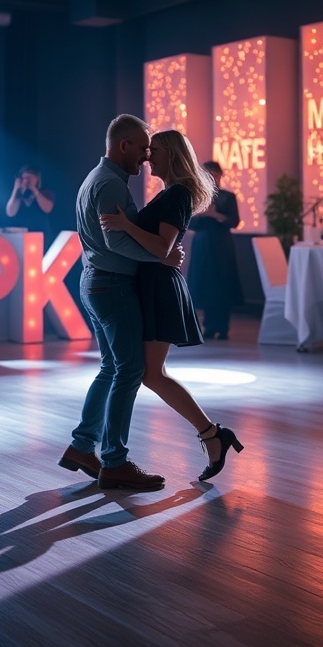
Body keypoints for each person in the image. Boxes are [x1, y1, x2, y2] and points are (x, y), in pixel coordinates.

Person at [100, 130, 244, 481]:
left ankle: (211, 433)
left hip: (160, 290)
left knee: (150, 373)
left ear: (173, 156)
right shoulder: (170, 193)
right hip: (154, 285)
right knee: (148, 373)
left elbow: (163, 247)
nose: (148, 156)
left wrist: (124, 225)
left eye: (156, 150)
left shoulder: (177, 194)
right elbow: (164, 249)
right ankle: (212, 435)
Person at [58, 114, 183, 491]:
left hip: (95, 282)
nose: (147, 156)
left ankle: (82, 446)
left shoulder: (96, 179)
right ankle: (114, 461)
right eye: (143, 147)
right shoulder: (111, 183)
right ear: (123, 145)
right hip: (111, 285)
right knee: (128, 370)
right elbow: (117, 242)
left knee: (112, 368)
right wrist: (161, 256)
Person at [187, 160, 240, 340]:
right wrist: (202, 214)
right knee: (205, 283)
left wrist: (216, 215)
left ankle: (223, 326)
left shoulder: (228, 196)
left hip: (222, 244)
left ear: (220, 175)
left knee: (223, 283)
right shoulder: (198, 196)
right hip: (202, 244)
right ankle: (208, 326)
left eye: (214, 174)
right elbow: (190, 223)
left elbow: (234, 221)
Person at [5, 165, 54, 249]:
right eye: (24, 178)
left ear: (37, 179)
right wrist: (16, 189)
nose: (27, 181)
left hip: (40, 235)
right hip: (20, 235)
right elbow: (10, 212)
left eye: (30, 178)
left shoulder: (45, 193)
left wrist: (34, 189)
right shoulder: (18, 195)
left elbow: (48, 208)